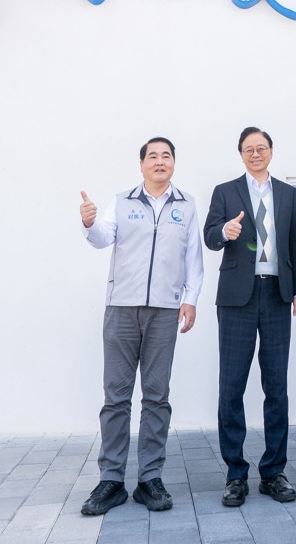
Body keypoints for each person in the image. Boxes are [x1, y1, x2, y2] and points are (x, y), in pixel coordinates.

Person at [77, 136, 204, 515]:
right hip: (121, 310)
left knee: (156, 396)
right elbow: (103, 238)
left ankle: (150, 479)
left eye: (166, 156)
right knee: (116, 397)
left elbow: (193, 258)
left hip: (165, 311)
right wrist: (89, 223)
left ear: (174, 163)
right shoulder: (122, 201)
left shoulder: (186, 205)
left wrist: (190, 299)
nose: (159, 161)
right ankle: (111, 480)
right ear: (142, 164)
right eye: (153, 156)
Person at [203, 127, 296, 508]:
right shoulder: (225, 191)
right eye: (248, 149)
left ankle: (273, 472)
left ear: (271, 152)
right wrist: (224, 231)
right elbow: (209, 235)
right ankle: (235, 474)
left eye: (261, 148)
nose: (255, 154)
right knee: (231, 387)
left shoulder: (288, 193)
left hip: (278, 294)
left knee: (276, 386)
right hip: (237, 298)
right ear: (241, 155)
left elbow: (293, 243)